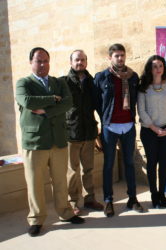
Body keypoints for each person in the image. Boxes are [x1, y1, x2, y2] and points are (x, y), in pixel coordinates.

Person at [15, 47, 85, 237]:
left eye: (46, 60)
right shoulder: (23, 83)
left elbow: (68, 102)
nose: (43, 64)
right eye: (39, 61)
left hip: (58, 140)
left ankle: (65, 213)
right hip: (35, 142)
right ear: (31, 63)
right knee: (35, 183)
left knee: (60, 181)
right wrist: (53, 99)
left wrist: (46, 109)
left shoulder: (58, 82)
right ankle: (36, 220)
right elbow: (28, 101)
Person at [93, 43, 144, 217]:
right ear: (110, 58)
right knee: (108, 165)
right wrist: (104, 120)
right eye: (116, 55)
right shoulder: (102, 77)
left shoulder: (133, 76)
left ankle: (132, 199)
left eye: (122, 55)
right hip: (110, 127)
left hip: (128, 125)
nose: (120, 58)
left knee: (129, 163)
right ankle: (108, 200)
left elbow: (138, 97)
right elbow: (96, 103)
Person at [59, 50, 104, 215]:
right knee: (72, 170)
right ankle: (72, 202)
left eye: (83, 60)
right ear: (71, 62)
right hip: (71, 133)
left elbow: (99, 105)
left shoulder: (92, 82)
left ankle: (90, 198)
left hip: (89, 133)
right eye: (77, 60)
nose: (80, 63)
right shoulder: (63, 82)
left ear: (86, 62)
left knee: (89, 169)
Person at [138, 55, 166, 208]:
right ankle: (154, 194)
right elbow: (141, 111)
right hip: (149, 132)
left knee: (164, 163)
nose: (158, 69)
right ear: (150, 69)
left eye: (160, 66)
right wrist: (155, 129)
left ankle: (162, 194)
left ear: (164, 68)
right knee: (152, 163)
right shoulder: (144, 87)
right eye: (154, 66)